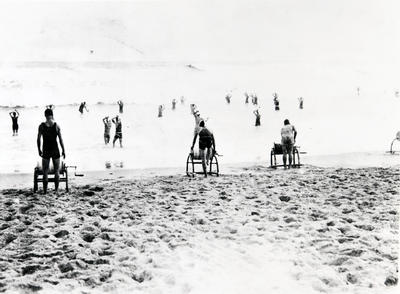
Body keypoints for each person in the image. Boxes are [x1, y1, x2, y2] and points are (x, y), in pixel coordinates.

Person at [37, 109, 66, 194]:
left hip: (46, 149)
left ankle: (45, 191)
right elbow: (61, 140)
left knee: (45, 171)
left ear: (45, 115)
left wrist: (39, 149)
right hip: (55, 149)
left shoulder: (41, 126)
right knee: (57, 170)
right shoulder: (57, 126)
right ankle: (56, 190)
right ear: (52, 115)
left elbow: (38, 139)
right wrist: (64, 150)